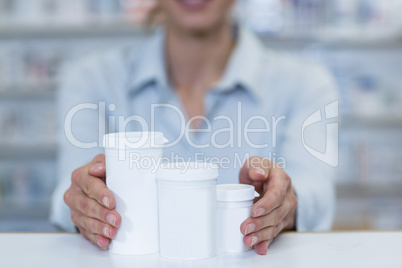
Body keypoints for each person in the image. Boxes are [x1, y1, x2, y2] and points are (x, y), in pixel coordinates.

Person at [50, 0, 338, 255]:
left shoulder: (305, 85)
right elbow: (68, 190)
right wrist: (84, 200)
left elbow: (315, 193)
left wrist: (283, 203)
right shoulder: (92, 80)